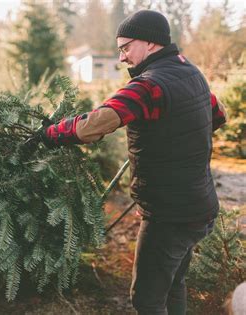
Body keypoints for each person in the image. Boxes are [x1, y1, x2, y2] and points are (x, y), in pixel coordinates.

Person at [40, 10, 228, 315]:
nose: (122, 57)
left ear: (151, 43)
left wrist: (50, 134)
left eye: (126, 47)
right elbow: (217, 115)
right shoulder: (192, 73)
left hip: (169, 216)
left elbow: (94, 125)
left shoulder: (148, 86)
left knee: (148, 299)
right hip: (200, 206)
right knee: (174, 284)